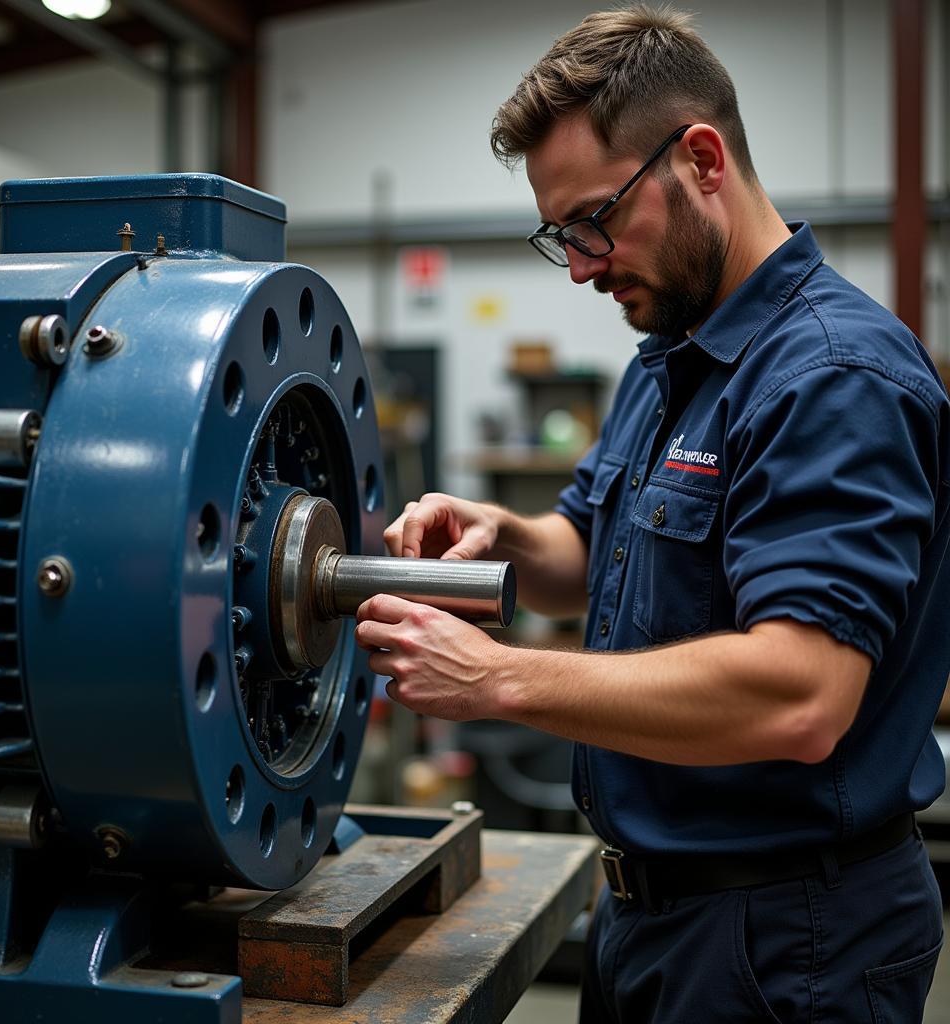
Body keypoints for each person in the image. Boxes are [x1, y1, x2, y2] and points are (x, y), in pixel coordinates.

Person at [354, 5, 950, 1021]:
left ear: (703, 160)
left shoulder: (831, 377)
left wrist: (499, 678)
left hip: (787, 943)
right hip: (648, 915)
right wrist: (501, 535)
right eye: (560, 237)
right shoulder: (671, 356)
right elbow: (583, 548)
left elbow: (799, 695)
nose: (582, 264)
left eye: (596, 219)